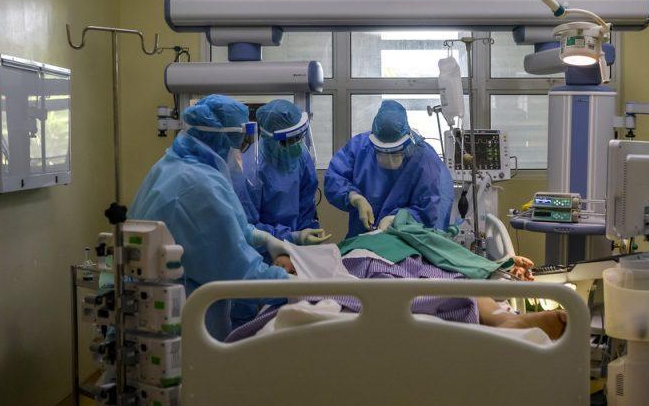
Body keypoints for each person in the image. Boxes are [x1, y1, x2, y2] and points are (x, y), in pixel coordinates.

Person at [130, 94, 291, 340]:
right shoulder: (199, 187)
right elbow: (240, 274)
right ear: (223, 139)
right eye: (240, 143)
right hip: (180, 327)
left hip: (154, 312)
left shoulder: (172, 166)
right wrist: (294, 284)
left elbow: (223, 225)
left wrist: (260, 237)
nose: (241, 152)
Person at [325, 100, 454, 238]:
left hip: (407, 240)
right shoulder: (359, 147)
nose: (389, 160)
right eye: (382, 152)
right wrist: (355, 198)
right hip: (362, 239)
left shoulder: (424, 158)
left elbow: (433, 209)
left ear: (406, 143)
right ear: (373, 143)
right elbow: (335, 178)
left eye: (395, 152)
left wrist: (399, 219)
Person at [251, 99, 330, 245]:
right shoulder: (252, 168)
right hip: (265, 250)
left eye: (300, 136)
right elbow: (248, 227)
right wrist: (289, 238)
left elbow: (306, 204)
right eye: (292, 139)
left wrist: (307, 233)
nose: (298, 142)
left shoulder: (300, 156)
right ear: (271, 139)